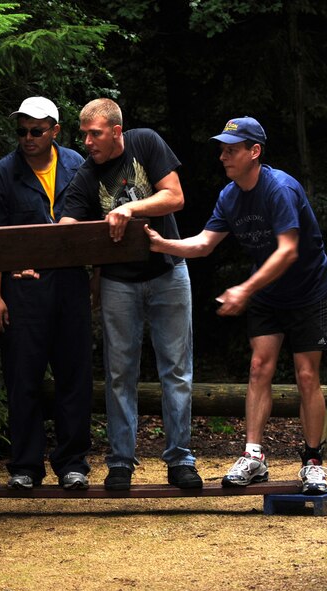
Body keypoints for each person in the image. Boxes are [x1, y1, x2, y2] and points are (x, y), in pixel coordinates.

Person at [145, 116, 327, 494]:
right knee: (259, 367)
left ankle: (313, 461)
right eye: (222, 150)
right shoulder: (230, 196)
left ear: (254, 151)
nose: (223, 156)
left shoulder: (280, 189)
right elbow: (203, 244)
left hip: (307, 289)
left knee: (306, 375)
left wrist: (244, 289)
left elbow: (288, 251)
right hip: (266, 291)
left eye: (231, 150)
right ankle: (254, 456)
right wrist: (163, 244)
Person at [60, 97, 202, 490]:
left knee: (176, 370)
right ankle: (121, 462)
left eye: (95, 134)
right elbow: (67, 224)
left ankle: (180, 459)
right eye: (84, 134)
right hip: (118, 282)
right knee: (120, 374)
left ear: (116, 131)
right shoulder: (87, 174)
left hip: (168, 271)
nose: (87, 142)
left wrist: (131, 209)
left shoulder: (146, 142)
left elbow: (175, 196)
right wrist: (57, 238)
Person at [0, 96, 93, 490]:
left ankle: (72, 464)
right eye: (22, 131)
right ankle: (25, 466)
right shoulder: (2, 174)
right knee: (22, 378)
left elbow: (96, 226)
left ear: (55, 131)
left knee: (74, 376)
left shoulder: (78, 166)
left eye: (36, 131)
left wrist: (97, 281)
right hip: (23, 291)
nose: (28, 138)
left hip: (70, 285)